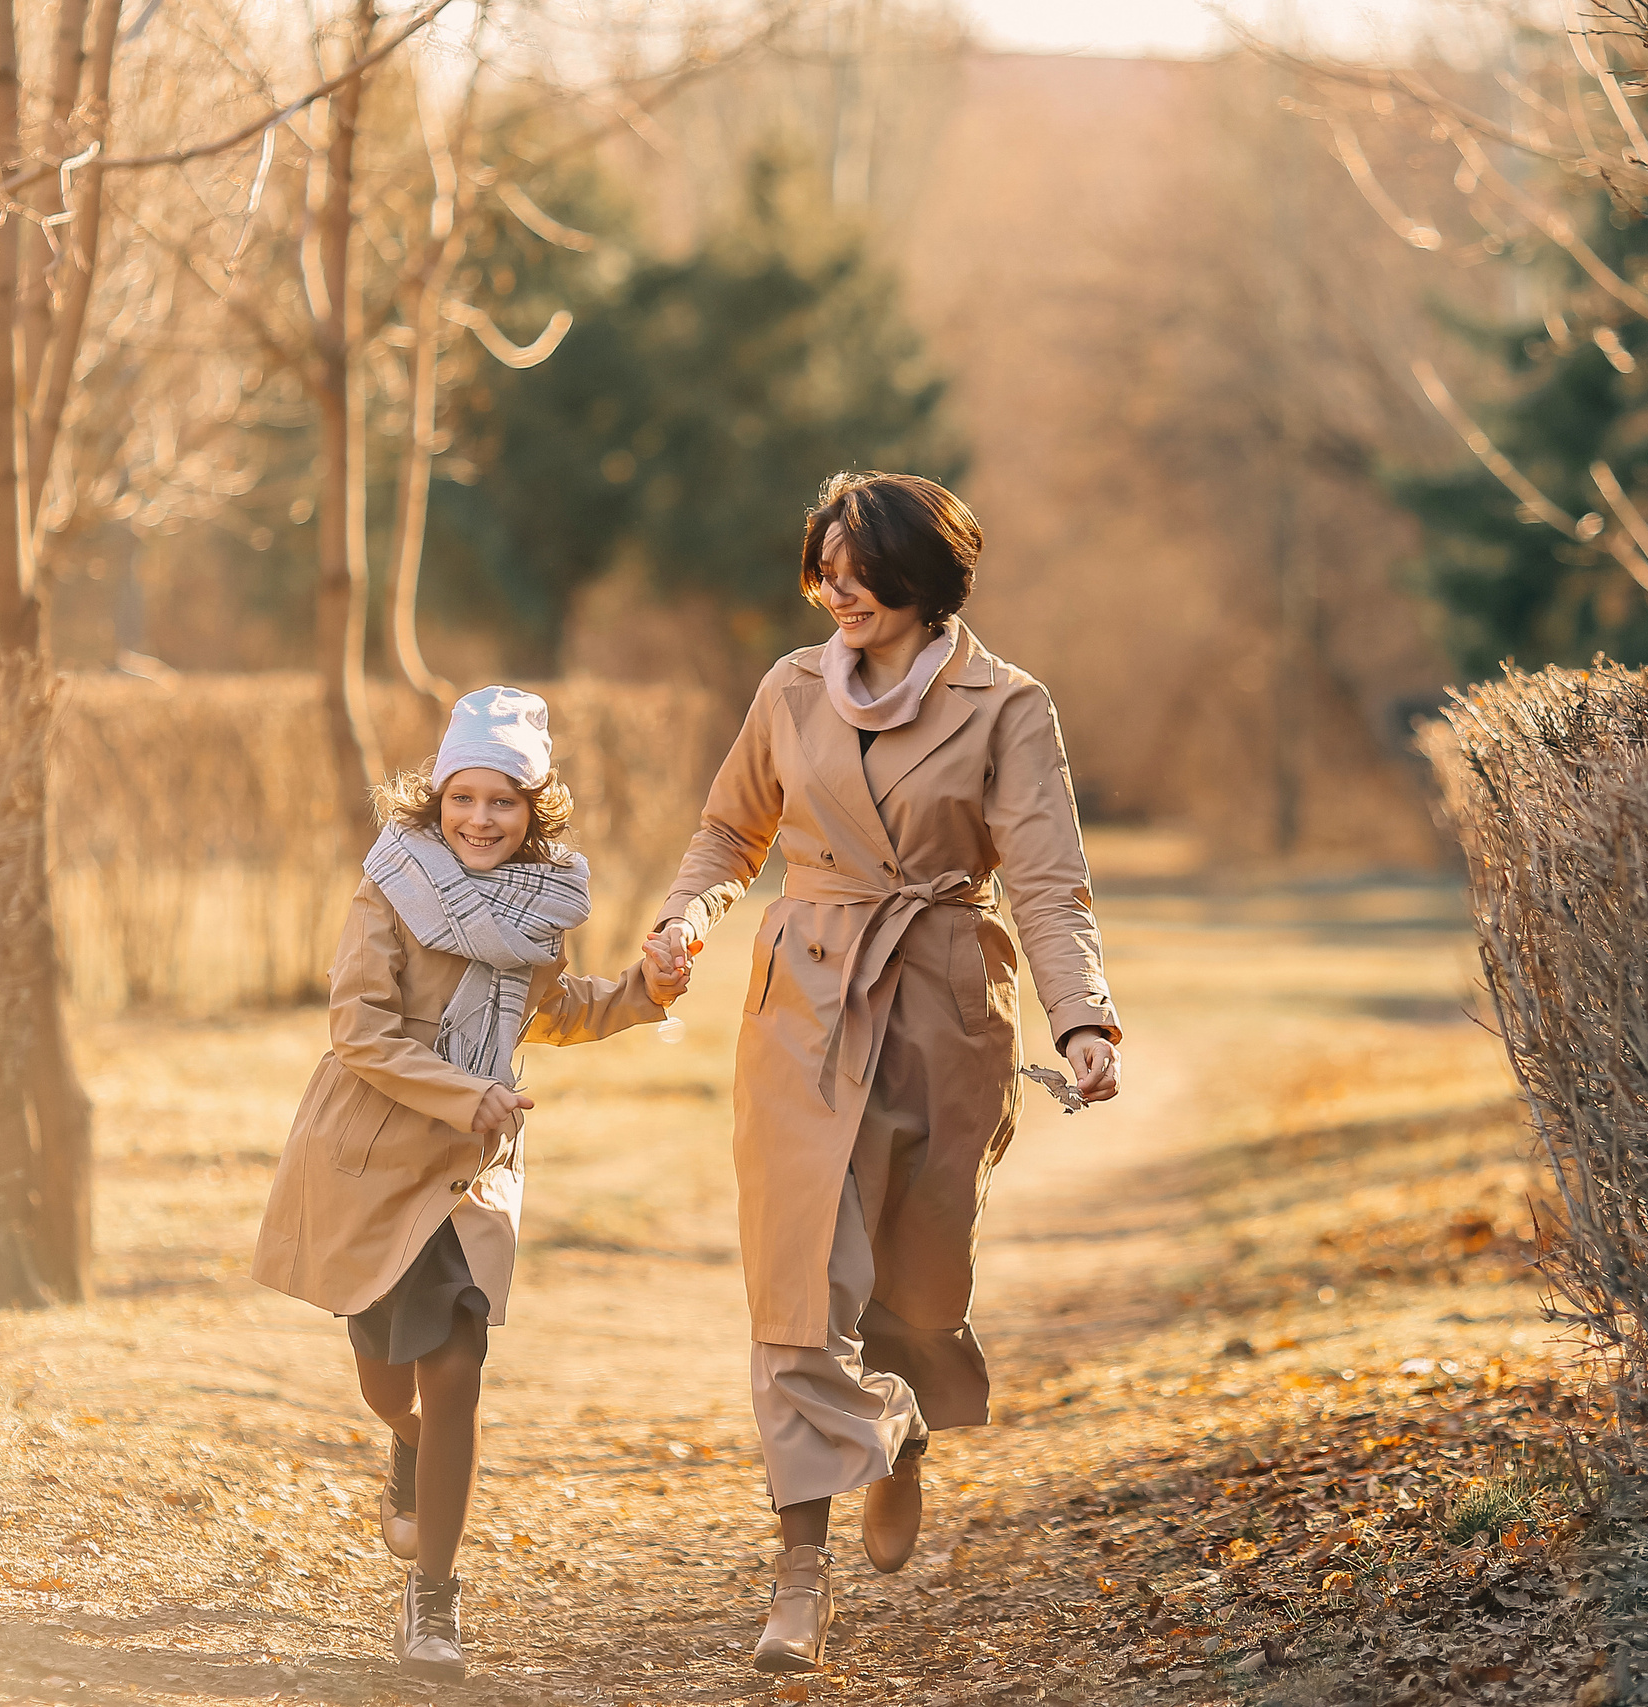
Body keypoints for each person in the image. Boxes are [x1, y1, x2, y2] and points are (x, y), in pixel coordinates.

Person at [651, 472, 1124, 1672]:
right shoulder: (788, 687)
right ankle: (797, 1581)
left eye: (858, 570)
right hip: (804, 1002)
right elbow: (730, 831)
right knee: (798, 1285)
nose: (837, 591)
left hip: (938, 1007)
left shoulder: (1007, 705)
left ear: (923, 575)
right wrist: (687, 916)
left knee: (913, 1290)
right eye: (824, 570)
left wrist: (1081, 1020)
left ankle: (900, 1428)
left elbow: (1047, 880)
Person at [253, 686, 688, 1682]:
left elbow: (550, 1009)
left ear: (533, 809)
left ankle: (434, 1601)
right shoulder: (389, 886)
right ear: (437, 798)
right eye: (464, 798)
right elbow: (358, 1030)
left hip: (468, 1172)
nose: (481, 819)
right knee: (386, 1381)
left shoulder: (542, 901)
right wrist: (463, 1092)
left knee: (454, 1371)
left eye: (503, 801)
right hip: (375, 1157)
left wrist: (642, 993)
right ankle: (407, 1445)